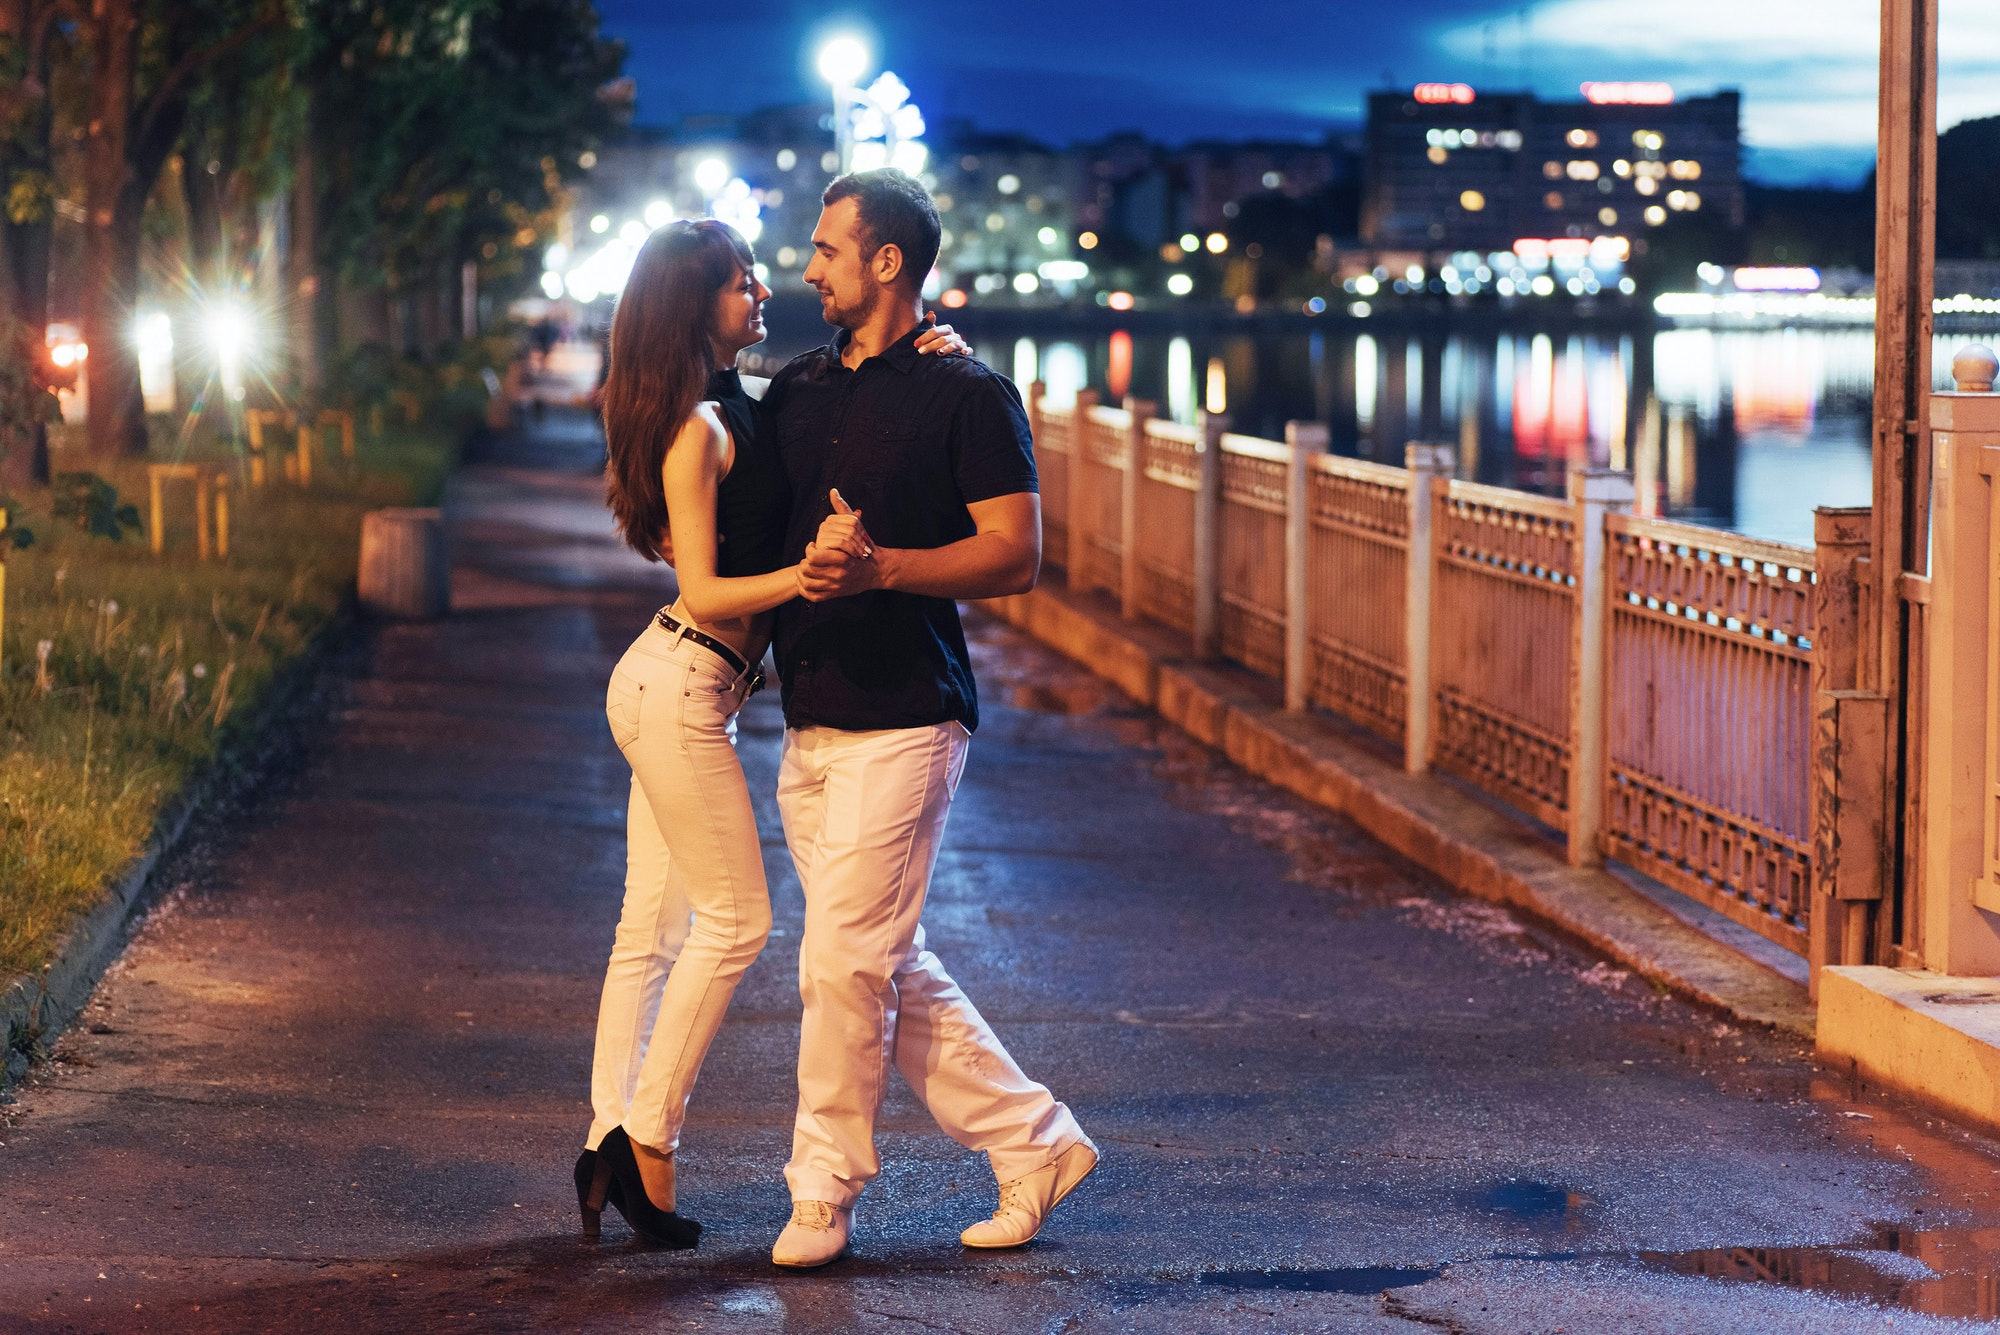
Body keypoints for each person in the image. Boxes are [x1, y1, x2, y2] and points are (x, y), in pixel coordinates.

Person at [579, 217, 966, 1247]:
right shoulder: (698, 430)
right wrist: (808, 578)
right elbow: (703, 589)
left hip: (683, 685)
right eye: (739, 282)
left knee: (650, 930)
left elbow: (838, 380)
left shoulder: (739, 403)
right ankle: (642, 1144)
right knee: (735, 923)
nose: (765, 289)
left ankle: (605, 1136)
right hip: (680, 679)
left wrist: (938, 345)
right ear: (689, 305)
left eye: (760, 275)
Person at [763, 169, 1097, 1270]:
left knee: (841, 963)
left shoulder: (967, 395)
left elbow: (1015, 553)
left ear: (886, 263)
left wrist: (882, 571)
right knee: (873, 960)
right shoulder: (797, 390)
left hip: (908, 712)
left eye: (825, 249)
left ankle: (822, 1190)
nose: (807, 267)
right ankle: (1034, 1141)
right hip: (809, 714)